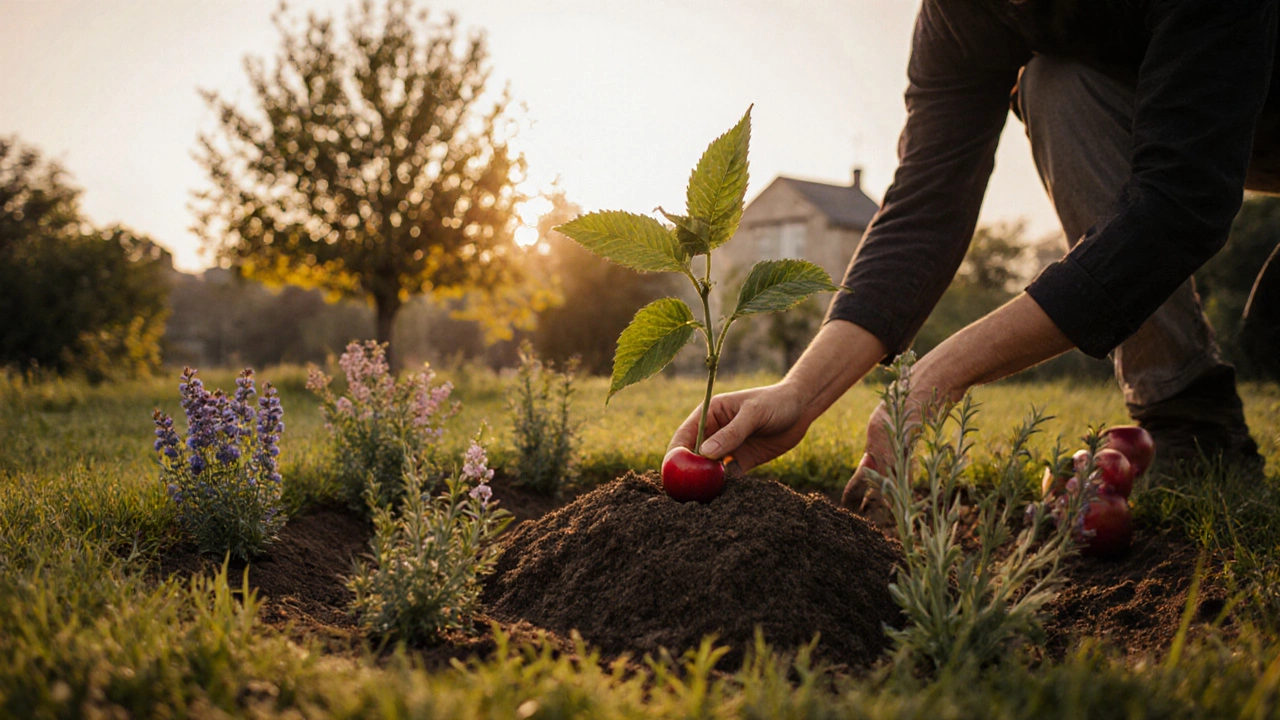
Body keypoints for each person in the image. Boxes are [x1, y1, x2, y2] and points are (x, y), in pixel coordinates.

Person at [669, 0, 1278, 521]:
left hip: (1242, 89)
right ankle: (1191, 420)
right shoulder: (961, 14)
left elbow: (1179, 201)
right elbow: (925, 207)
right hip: (1199, 109)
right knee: (1057, 83)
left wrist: (937, 376)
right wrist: (803, 390)